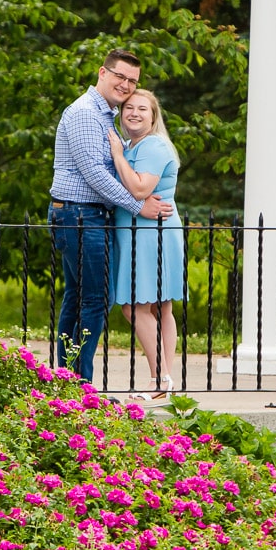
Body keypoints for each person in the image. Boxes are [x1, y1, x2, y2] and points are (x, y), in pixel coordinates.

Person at [48, 49, 173, 383]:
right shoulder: (87, 113)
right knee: (95, 299)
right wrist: (138, 206)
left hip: (85, 216)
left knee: (78, 298)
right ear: (103, 73)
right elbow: (95, 175)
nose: (126, 85)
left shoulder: (106, 116)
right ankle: (80, 384)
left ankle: (66, 380)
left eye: (133, 81)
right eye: (121, 76)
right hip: (80, 215)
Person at [107, 88, 185, 398]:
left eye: (142, 109)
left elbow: (140, 189)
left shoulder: (152, 146)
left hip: (151, 233)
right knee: (158, 307)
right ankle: (164, 380)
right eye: (129, 107)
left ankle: (159, 379)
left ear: (153, 117)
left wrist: (115, 155)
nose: (134, 113)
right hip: (142, 232)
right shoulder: (134, 146)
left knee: (136, 307)